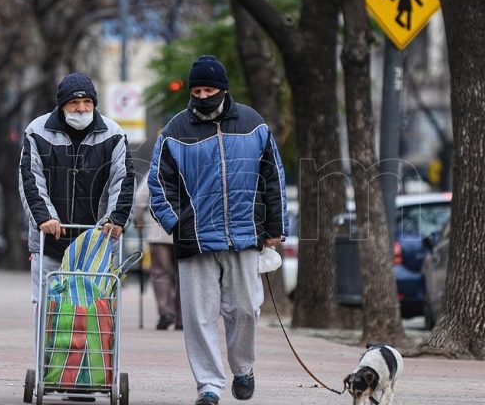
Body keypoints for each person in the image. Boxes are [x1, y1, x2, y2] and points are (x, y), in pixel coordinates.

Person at [148, 55, 289, 405]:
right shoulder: (175, 130)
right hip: (195, 239)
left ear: (223, 90)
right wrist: (176, 223)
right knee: (199, 318)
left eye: (209, 90)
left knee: (246, 309)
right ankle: (209, 386)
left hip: (245, 235)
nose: (202, 96)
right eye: (196, 91)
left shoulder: (254, 124)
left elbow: (273, 178)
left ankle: (243, 367)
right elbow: (158, 184)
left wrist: (275, 227)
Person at [19, 72, 136, 307]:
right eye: (74, 102)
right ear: (62, 105)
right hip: (51, 241)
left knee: (95, 312)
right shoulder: (37, 131)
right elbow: (30, 178)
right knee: (49, 311)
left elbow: (123, 180)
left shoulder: (113, 134)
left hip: (98, 243)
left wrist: (115, 219)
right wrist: (45, 218)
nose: (81, 108)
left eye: (87, 102)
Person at [133, 181, 182, 331]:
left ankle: (166, 312)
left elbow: (140, 198)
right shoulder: (191, 167)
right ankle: (183, 317)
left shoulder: (156, 169)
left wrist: (138, 219)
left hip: (158, 232)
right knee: (184, 276)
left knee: (161, 273)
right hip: (184, 232)